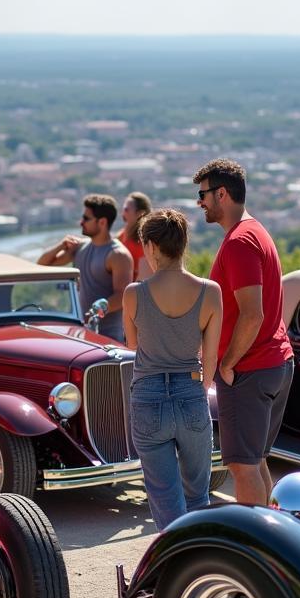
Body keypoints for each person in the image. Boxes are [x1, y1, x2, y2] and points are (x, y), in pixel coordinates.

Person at [194, 158, 294, 507]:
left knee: (242, 466)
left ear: (222, 194)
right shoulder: (255, 231)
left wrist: (226, 364)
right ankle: (268, 536)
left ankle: (252, 548)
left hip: (250, 369)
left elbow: (252, 314)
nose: (199, 202)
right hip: (274, 362)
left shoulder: (239, 241)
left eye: (203, 194)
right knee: (256, 460)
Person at [122, 209, 222, 530]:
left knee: (165, 498)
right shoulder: (211, 291)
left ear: (150, 246)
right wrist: (198, 388)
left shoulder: (134, 293)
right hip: (191, 392)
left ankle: (175, 567)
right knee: (198, 497)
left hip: (149, 396)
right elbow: (211, 357)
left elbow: (134, 344)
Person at [38, 193, 133, 341]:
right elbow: (43, 265)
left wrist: (97, 310)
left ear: (102, 222)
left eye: (86, 218)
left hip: (110, 337)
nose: (81, 222)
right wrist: (61, 245)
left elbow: (122, 295)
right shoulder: (79, 248)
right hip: (82, 333)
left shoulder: (118, 255)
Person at [118, 192, 152, 280]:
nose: (123, 212)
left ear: (140, 213)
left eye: (126, 209)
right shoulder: (121, 235)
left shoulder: (143, 241)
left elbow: (144, 277)